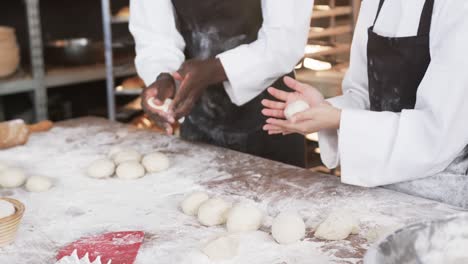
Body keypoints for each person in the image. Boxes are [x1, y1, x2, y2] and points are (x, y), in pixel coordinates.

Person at [262, 0, 468, 208]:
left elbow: (437, 132)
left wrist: (340, 119)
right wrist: (325, 109)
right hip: (377, 190)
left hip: (442, 199)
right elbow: (363, 93)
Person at [129, 0, 314, 167]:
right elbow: (155, 37)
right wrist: (164, 77)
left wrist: (216, 69)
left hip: (269, 115)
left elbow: (284, 43)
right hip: (198, 118)